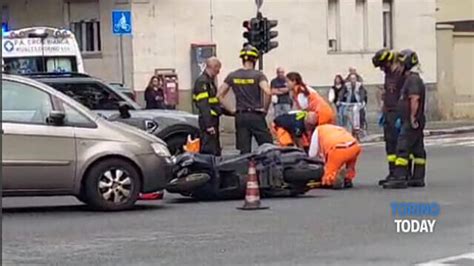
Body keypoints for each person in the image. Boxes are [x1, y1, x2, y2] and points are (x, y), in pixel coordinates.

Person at [383, 49, 426, 189]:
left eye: (401, 64)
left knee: (403, 147)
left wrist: (412, 117)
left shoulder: (412, 80)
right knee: (417, 150)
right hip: (412, 119)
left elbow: (415, 99)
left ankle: (400, 177)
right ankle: (417, 178)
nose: (399, 66)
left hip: (411, 120)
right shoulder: (411, 78)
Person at [218, 45, 273, 154]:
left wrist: (232, 110)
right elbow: (267, 92)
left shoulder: (233, 75)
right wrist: (265, 108)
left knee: (244, 150)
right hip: (256, 115)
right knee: (267, 146)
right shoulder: (258, 75)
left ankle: (245, 169)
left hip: (240, 116)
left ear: (242, 60)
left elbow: (219, 95)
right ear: (255, 60)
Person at [372, 48, 407, 186]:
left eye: (382, 65)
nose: (381, 69)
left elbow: (405, 96)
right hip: (388, 113)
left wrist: (402, 115)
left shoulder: (401, 75)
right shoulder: (388, 75)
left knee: (400, 145)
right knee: (390, 145)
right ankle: (392, 172)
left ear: (388, 61)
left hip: (398, 113)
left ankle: (402, 174)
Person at [308, 124, 361, 189]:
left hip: (337, 149)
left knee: (329, 174)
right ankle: (348, 179)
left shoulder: (317, 131)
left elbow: (312, 154)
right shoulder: (336, 127)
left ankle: (331, 181)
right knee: (350, 165)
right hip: (354, 145)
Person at [192, 57, 224, 156]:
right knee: (209, 149)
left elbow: (213, 102)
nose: (219, 72)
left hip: (212, 119)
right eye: (218, 68)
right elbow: (203, 105)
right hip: (208, 121)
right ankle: (208, 170)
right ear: (213, 67)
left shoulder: (209, 81)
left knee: (214, 148)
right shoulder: (202, 82)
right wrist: (209, 125)